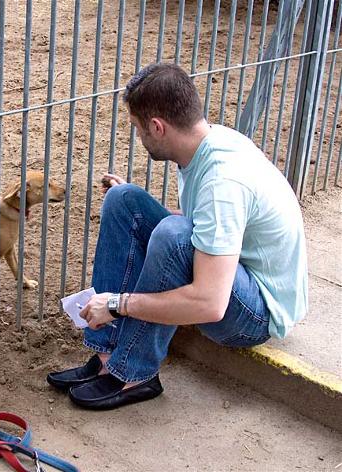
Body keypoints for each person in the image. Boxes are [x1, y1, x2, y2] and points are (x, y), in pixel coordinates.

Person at [47, 63, 308, 410]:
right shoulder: (207, 144)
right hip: (234, 272)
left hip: (259, 312)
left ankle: (135, 373)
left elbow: (210, 303)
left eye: (139, 130)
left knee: (174, 236)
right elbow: (207, 224)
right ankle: (109, 355)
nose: (139, 138)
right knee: (124, 201)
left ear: (158, 127)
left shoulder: (223, 182)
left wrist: (117, 304)